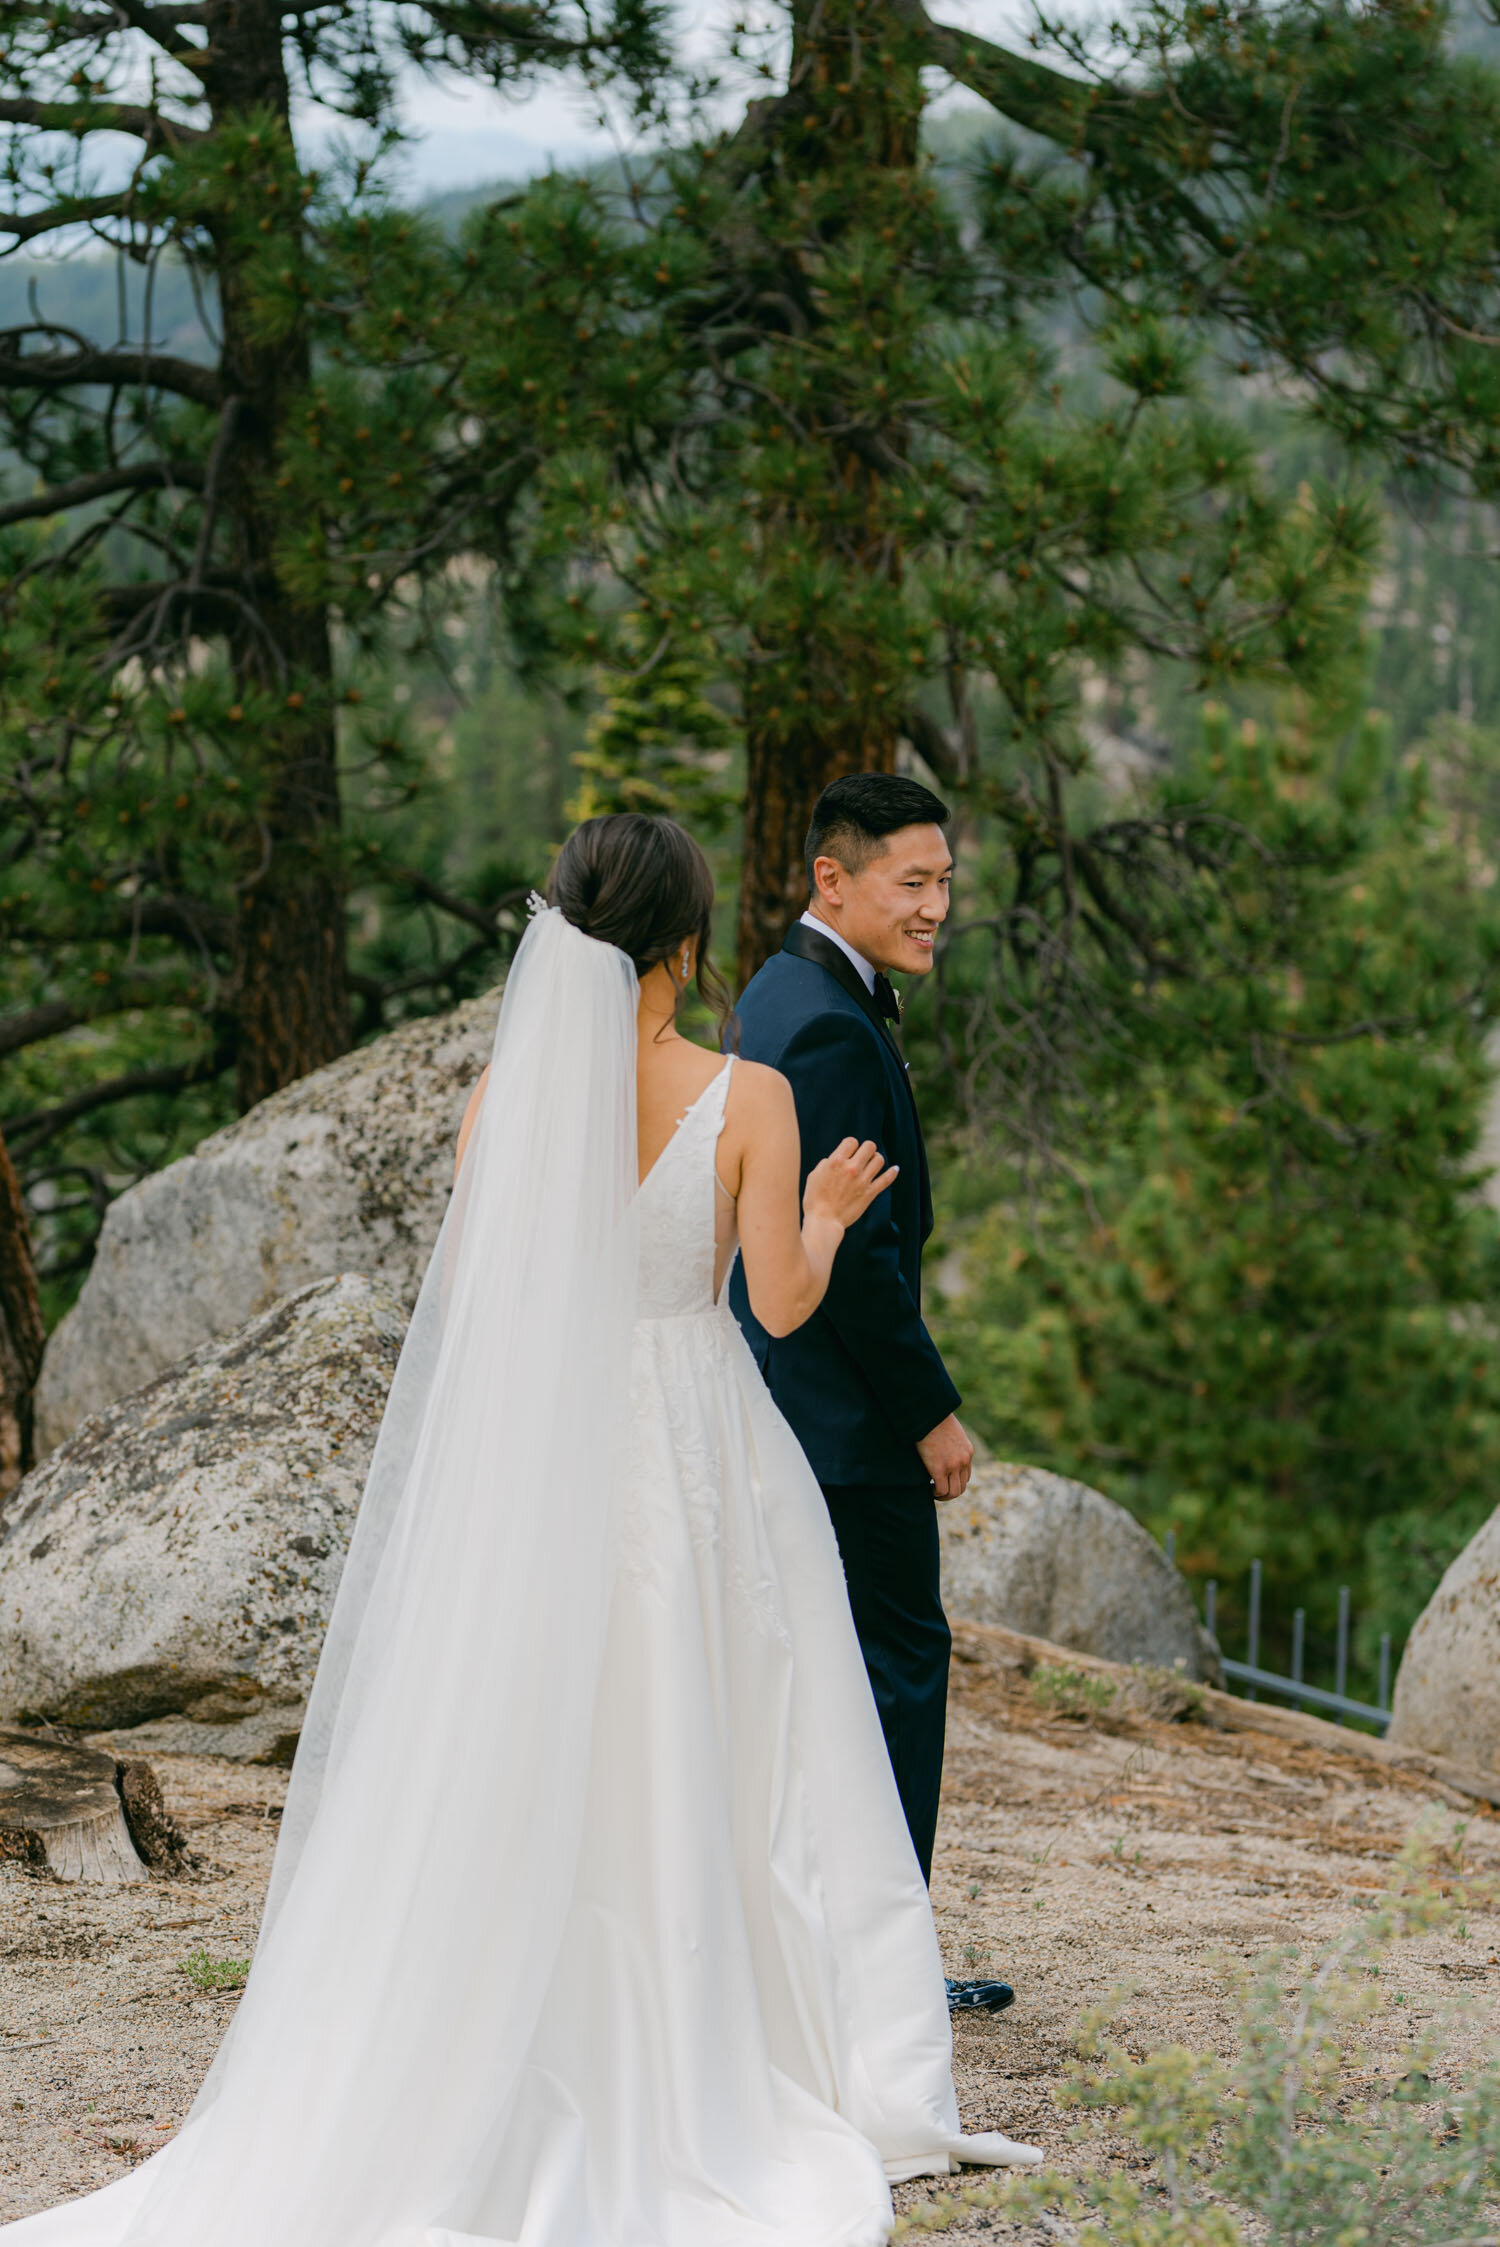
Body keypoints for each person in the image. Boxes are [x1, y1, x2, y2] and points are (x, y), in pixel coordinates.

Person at [4, 812, 1037, 2247]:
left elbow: (491, 1299)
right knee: (726, 1722)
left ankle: (506, 2010)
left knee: (541, 1718)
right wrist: (825, 1202)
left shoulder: (506, 1098)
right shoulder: (745, 1096)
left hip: (554, 1438)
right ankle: (735, 2023)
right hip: (694, 1436)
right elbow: (785, 1304)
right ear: (684, 941)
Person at [730, 774, 1012, 2013]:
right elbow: (855, 1265)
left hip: (794, 1412)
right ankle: (881, 1967)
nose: (938, 904)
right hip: (845, 1428)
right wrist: (930, 1412)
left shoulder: (786, 992)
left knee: (827, 1686)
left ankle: (837, 1950)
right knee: (896, 1670)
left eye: (946, 881)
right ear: (832, 880)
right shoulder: (832, 1024)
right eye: (915, 882)